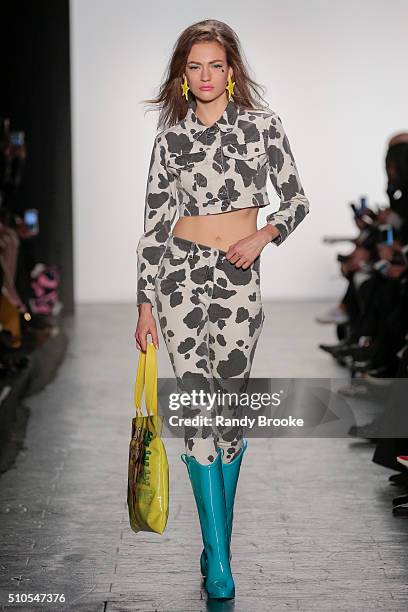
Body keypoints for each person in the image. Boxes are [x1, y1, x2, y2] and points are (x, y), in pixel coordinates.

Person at [134, 19, 310, 600]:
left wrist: (263, 237)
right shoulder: (171, 139)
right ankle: (221, 564)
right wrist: (144, 303)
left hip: (238, 280)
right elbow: (155, 226)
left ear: (231, 72)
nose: (205, 76)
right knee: (198, 409)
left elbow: (297, 200)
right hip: (180, 278)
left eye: (215, 65)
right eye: (194, 67)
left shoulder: (262, 128)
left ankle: (215, 544)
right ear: (182, 76)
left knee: (229, 413)